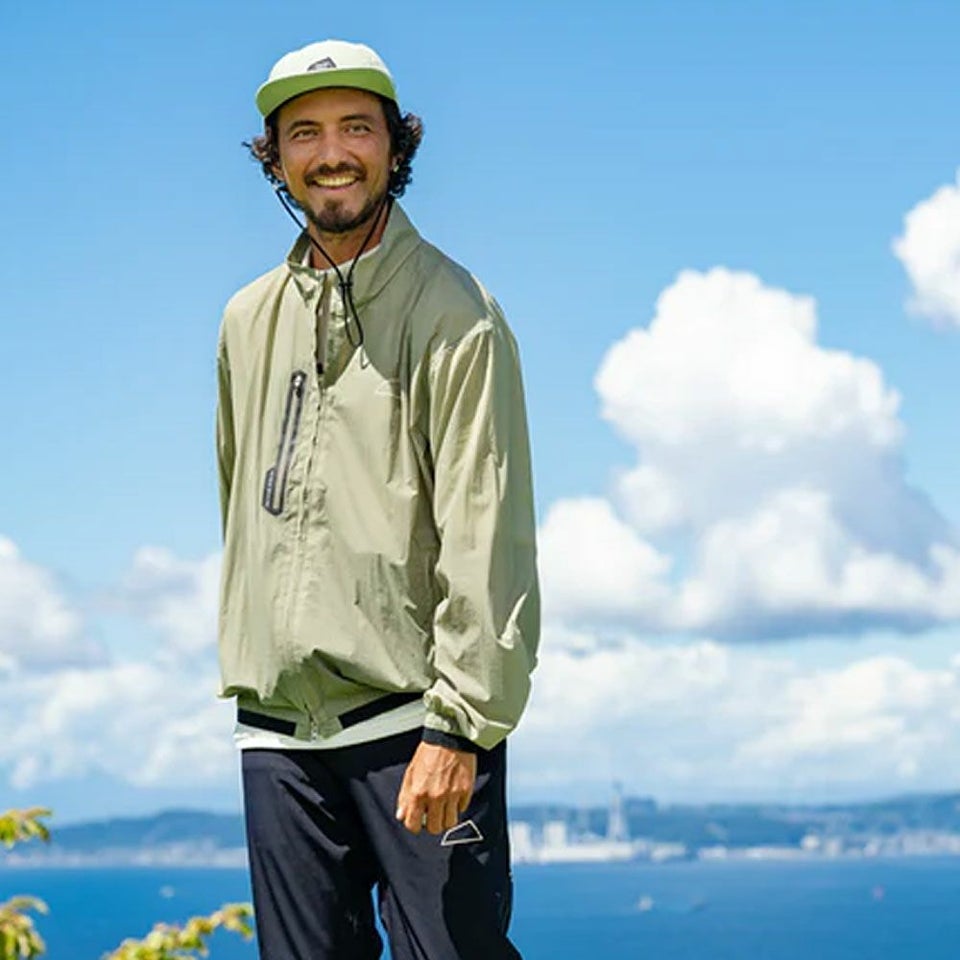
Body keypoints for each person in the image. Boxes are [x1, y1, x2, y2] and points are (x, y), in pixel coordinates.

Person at [214, 39, 540, 960]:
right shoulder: (246, 320)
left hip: (419, 727)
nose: (332, 153)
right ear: (274, 158)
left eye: (357, 128)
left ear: (397, 147)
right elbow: (240, 503)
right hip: (279, 736)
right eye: (304, 132)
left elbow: (486, 527)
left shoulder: (456, 312)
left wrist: (460, 725)